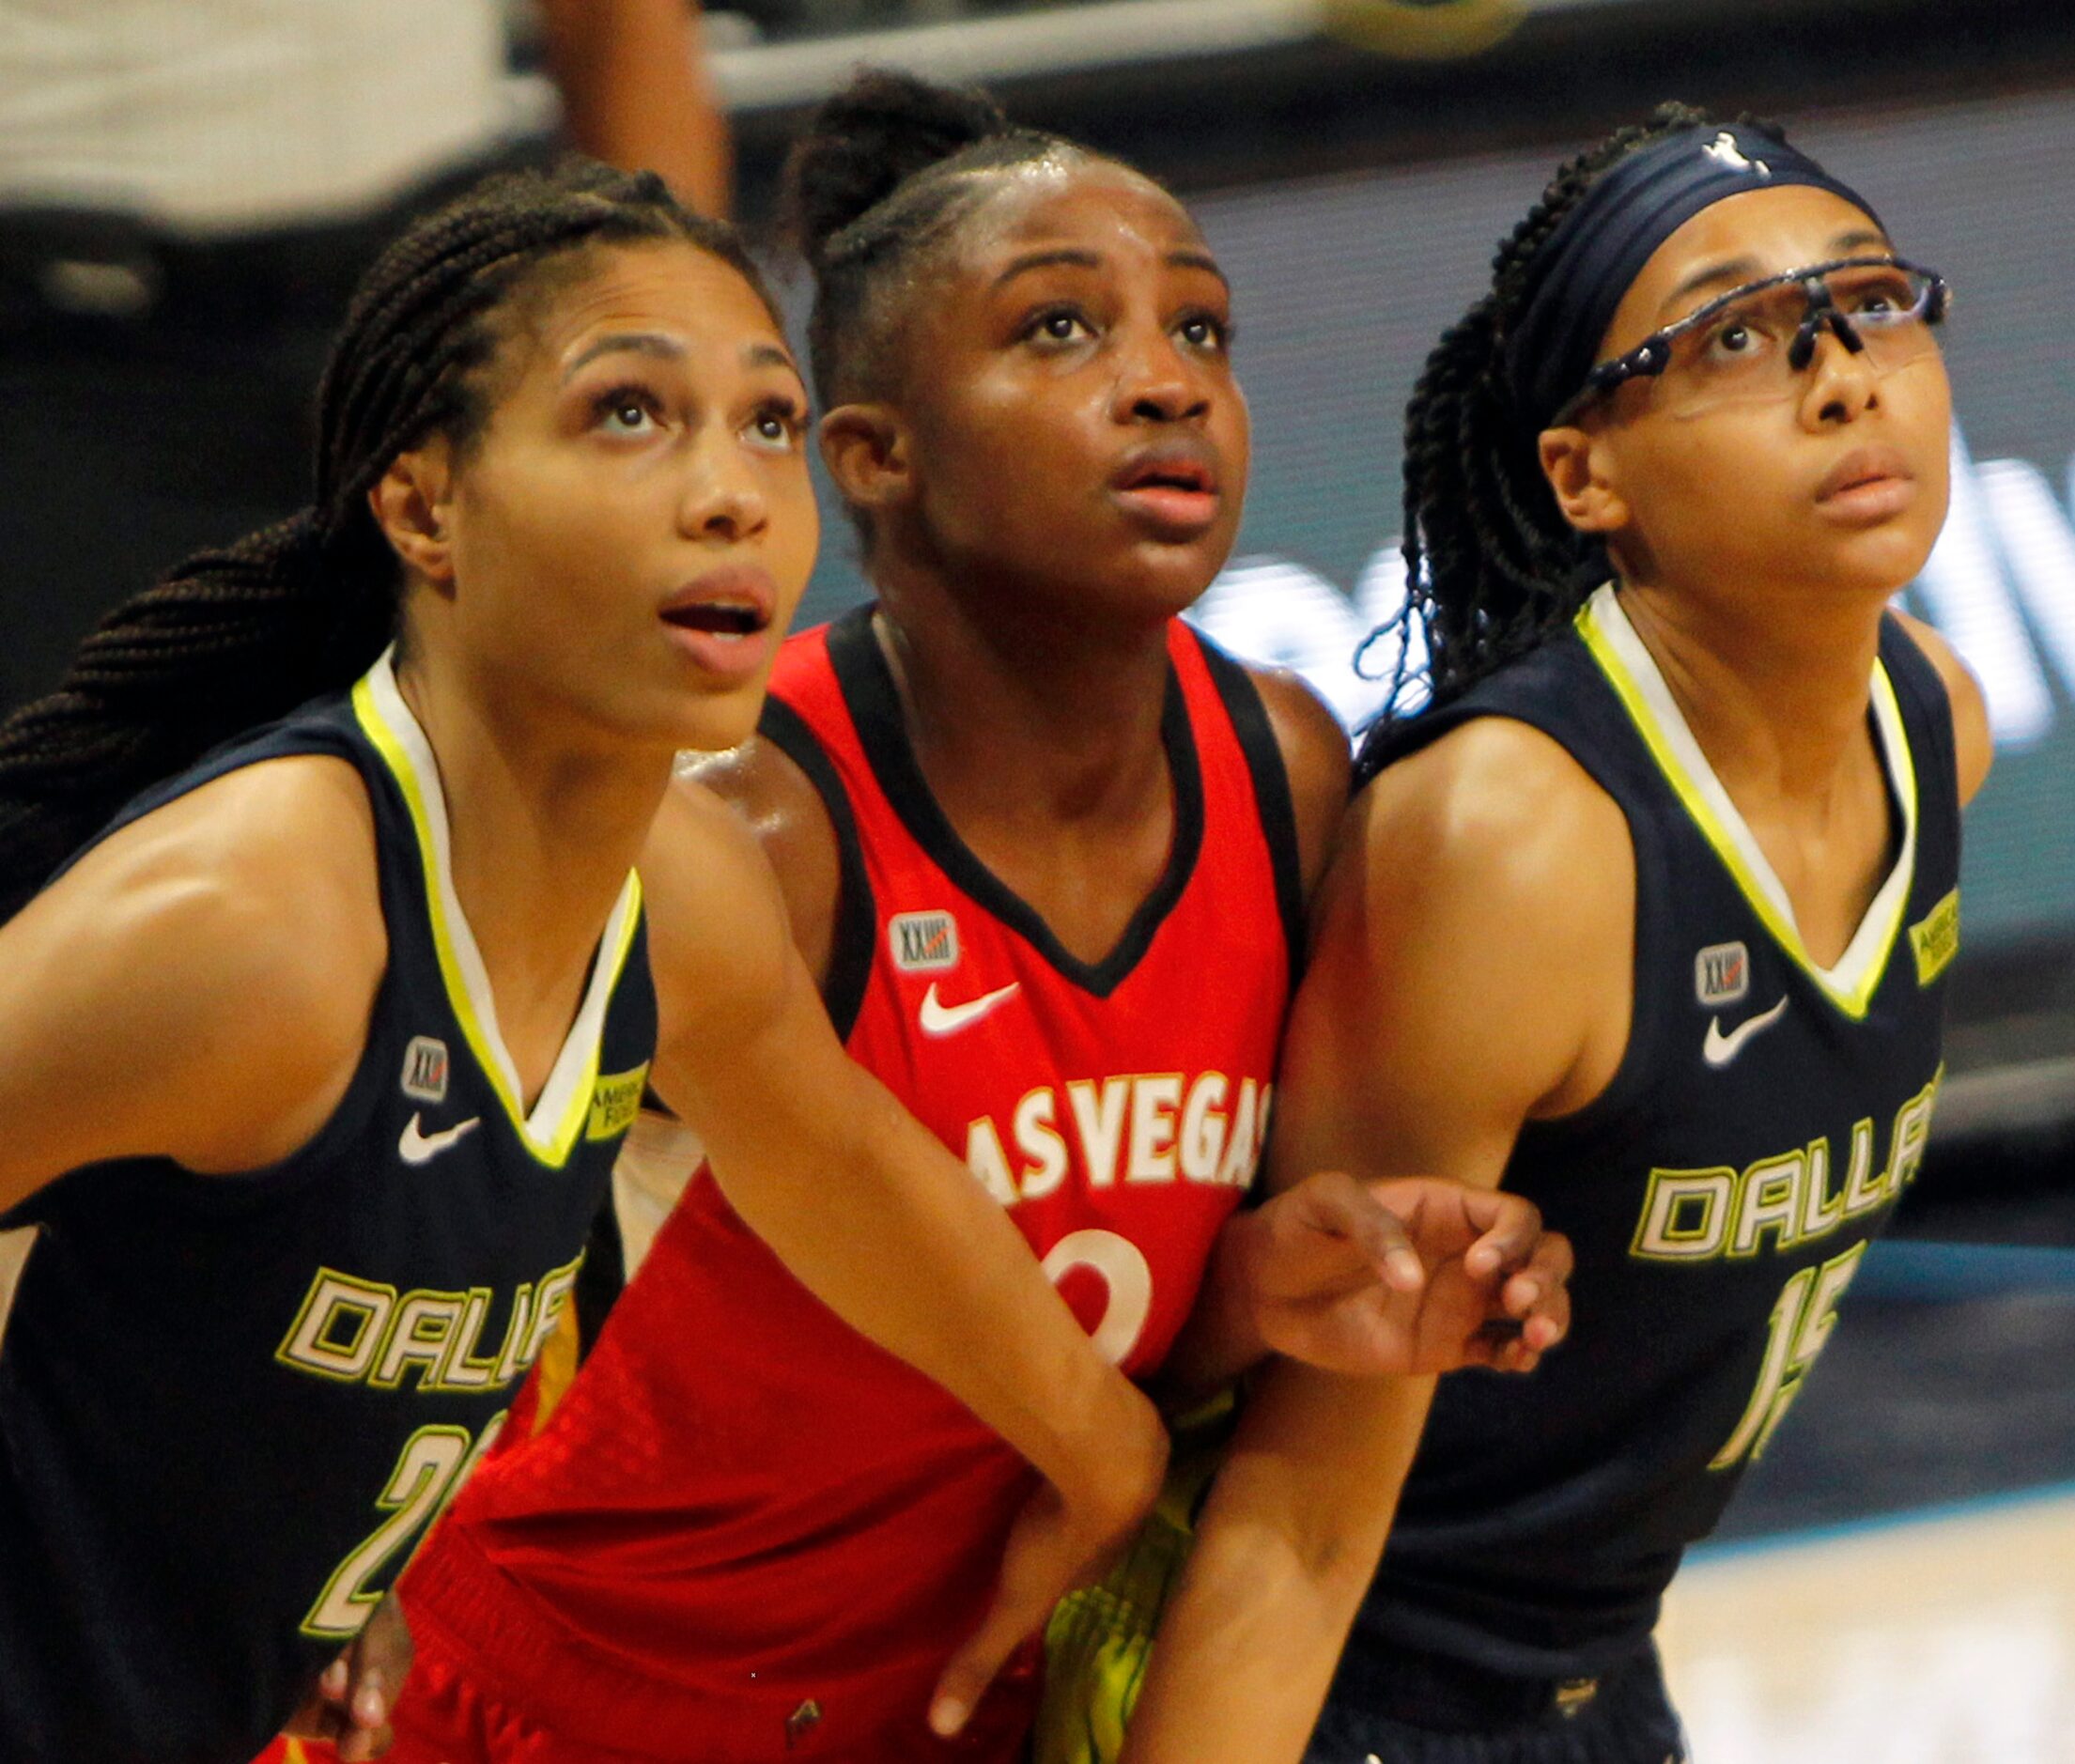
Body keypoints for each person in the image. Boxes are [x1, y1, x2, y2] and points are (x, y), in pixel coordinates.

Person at [376, 72, 1572, 1764]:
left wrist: (1277, 1287)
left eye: (1200, 332)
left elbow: (1102, 1308)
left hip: (968, 1697)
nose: (1165, 382)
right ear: (872, 453)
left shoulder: (1278, 766)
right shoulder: (753, 826)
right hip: (582, 1700)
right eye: (1062, 330)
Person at [0, 158, 1171, 1764]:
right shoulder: (262, 923)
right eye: (629, 414)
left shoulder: (672, 888)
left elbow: (830, 1160)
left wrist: (1103, 1452)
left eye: (765, 421)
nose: (731, 492)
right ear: (426, 508)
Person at [1110, 106, 1994, 1763]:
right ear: (1581, 471)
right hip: (1363, 1693)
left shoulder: (1927, 721)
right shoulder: (1511, 837)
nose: (1841, 374)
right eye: (1732, 335)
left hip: (1594, 1666)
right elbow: (1295, 1516)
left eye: (1866, 302)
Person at [0, 0, 731, 720]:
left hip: (454, 314)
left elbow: (618, 22)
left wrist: (680, 347)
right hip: (62, 350)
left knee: (575, 796)